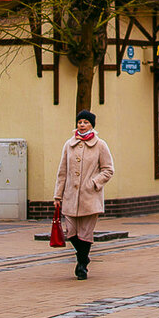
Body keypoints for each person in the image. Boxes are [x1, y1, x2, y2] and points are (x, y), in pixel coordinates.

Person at [54, 109, 115, 280]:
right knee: (71, 232)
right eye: (80, 122)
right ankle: (84, 257)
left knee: (86, 233)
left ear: (92, 125)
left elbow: (108, 170)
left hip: (90, 197)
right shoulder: (69, 144)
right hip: (70, 197)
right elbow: (62, 172)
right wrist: (57, 196)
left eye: (85, 122)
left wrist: (94, 183)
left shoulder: (100, 144)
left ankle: (81, 266)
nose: (82, 125)